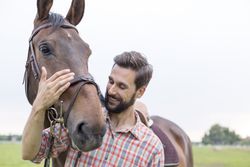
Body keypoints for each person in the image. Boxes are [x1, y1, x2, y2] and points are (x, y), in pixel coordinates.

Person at [22, 51, 164, 166]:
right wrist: (39, 105)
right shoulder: (84, 122)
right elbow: (30, 153)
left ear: (140, 92)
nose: (112, 90)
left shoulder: (152, 148)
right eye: (111, 81)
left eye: (121, 86)